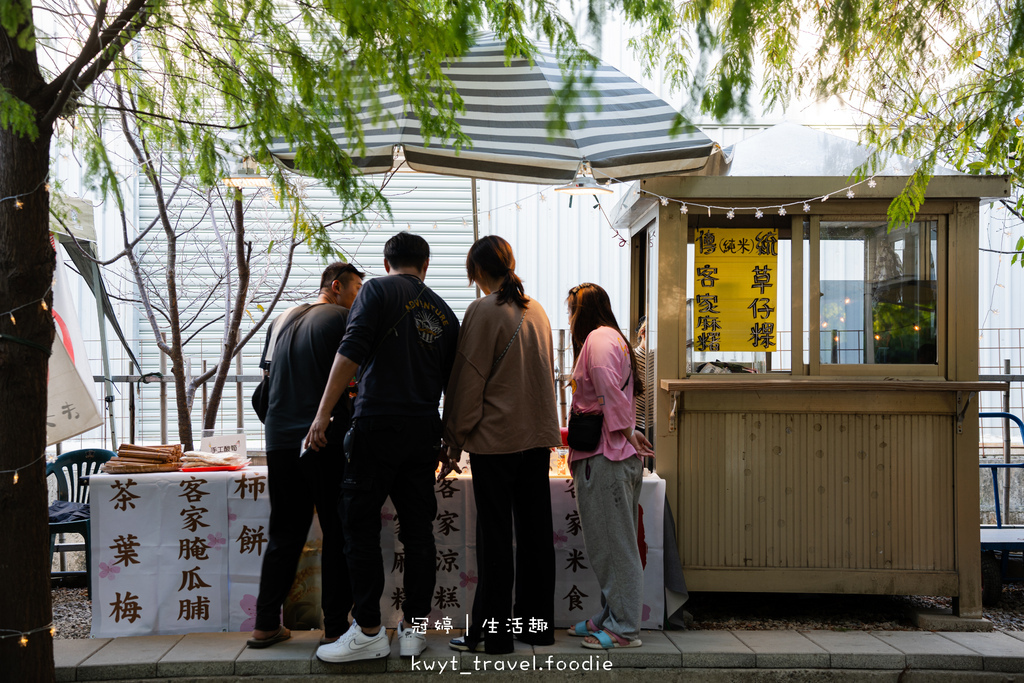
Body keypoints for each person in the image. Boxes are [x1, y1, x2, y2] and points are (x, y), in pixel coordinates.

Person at [304, 232, 460, 663]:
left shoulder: (374, 290)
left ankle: (370, 630)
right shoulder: (446, 314)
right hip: (424, 430)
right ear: (425, 265)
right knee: (418, 531)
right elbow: (455, 386)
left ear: (387, 263)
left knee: (357, 524)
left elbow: (350, 352)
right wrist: (450, 438)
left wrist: (322, 415)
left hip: (376, 425)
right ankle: (413, 629)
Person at [441, 236, 561, 655]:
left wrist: (452, 439)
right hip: (537, 439)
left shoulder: (482, 310)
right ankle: (537, 627)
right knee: (534, 535)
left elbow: (469, 380)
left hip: (496, 442)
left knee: (495, 539)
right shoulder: (538, 311)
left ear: (476, 271)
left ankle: (493, 636)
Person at [247, 262, 364, 649]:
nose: (359, 299)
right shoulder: (343, 319)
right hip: (322, 439)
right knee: (336, 530)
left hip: (279, 440)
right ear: (336, 286)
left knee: (285, 532)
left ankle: (266, 624)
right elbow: (356, 377)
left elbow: (263, 389)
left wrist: (281, 427)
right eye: (356, 290)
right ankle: (334, 626)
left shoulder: (281, 319)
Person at [564, 282, 653, 650]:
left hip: (607, 456)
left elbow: (606, 389)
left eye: (570, 309)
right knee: (615, 542)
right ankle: (612, 616)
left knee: (612, 545)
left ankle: (624, 628)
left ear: (581, 310)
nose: (568, 318)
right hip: (616, 456)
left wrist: (627, 430)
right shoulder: (613, 337)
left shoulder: (597, 341)